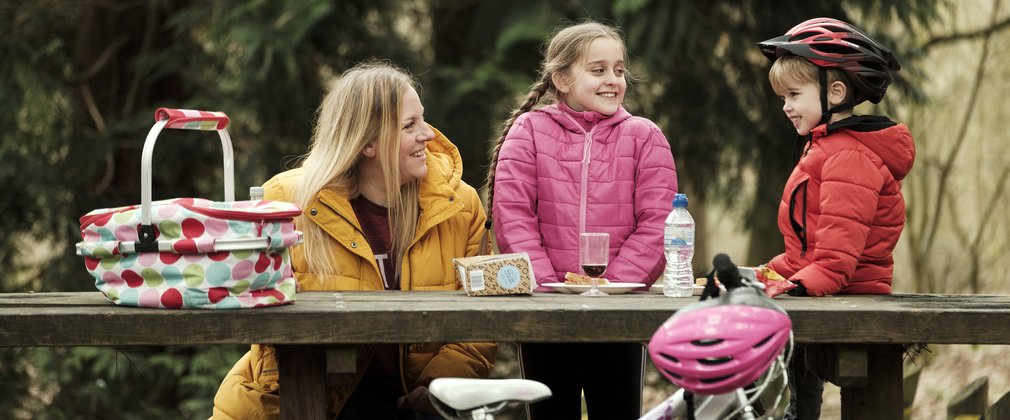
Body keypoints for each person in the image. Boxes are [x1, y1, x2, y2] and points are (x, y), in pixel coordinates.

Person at [212, 62, 496, 420]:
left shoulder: (459, 204)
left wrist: (437, 387)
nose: (428, 134)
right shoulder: (287, 201)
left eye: (422, 119)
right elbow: (259, 320)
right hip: (306, 397)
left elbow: (481, 321)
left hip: (421, 400)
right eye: (410, 125)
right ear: (367, 144)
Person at [486, 21, 678, 419]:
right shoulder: (529, 131)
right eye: (598, 69)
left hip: (619, 315)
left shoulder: (645, 137)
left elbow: (658, 223)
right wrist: (549, 288)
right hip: (545, 312)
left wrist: (612, 288)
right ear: (562, 78)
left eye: (619, 70)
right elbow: (513, 215)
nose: (613, 80)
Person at [757, 17, 915, 419]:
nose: (786, 106)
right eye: (783, 97)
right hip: (832, 291)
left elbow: (836, 257)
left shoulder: (849, 157)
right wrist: (762, 274)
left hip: (852, 297)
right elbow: (807, 249)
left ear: (837, 91)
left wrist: (795, 287)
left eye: (793, 94)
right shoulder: (826, 148)